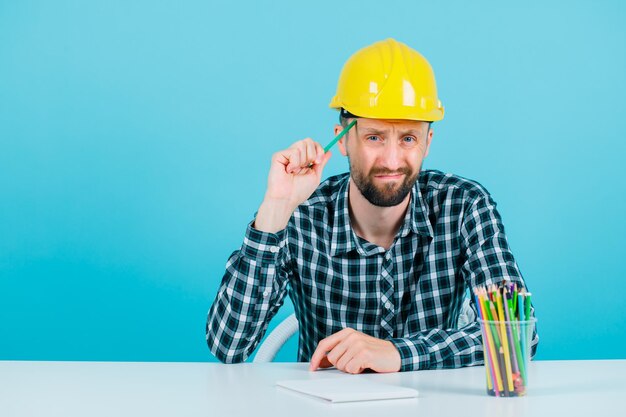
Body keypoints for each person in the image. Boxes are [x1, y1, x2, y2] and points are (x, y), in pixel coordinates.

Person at [206, 38, 538, 374]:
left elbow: (517, 333)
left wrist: (397, 353)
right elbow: (228, 346)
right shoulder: (301, 216)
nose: (392, 160)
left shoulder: (464, 206)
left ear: (427, 143)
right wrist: (276, 208)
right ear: (344, 139)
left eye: (408, 138)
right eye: (374, 137)